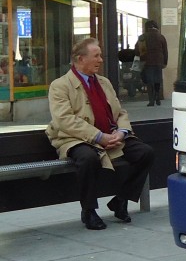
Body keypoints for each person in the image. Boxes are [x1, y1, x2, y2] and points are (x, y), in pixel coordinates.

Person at [46, 37, 156, 230]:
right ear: (81, 59)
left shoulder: (104, 82)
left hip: (111, 135)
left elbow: (120, 112)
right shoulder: (60, 85)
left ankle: (121, 200)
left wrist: (121, 133)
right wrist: (99, 137)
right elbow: (64, 120)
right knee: (88, 159)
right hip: (74, 138)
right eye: (96, 56)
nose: (101, 60)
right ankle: (88, 211)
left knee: (145, 153)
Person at [136, 19, 169, 106]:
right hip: (159, 61)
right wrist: (165, 62)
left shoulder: (143, 37)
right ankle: (158, 97)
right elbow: (165, 51)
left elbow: (139, 50)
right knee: (158, 80)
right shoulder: (161, 37)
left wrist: (140, 60)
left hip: (148, 62)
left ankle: (151, 100)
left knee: (150, 81)